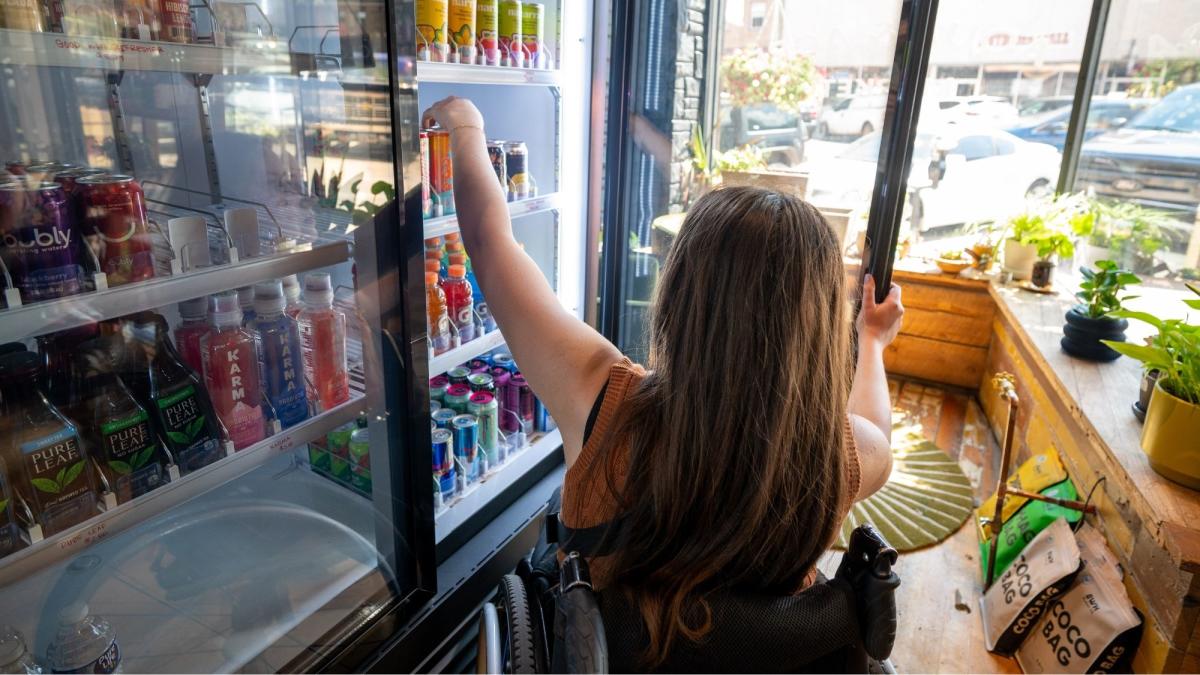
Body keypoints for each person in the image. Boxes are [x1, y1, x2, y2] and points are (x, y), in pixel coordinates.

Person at [422, 97, 904, 665]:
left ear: (679, 298)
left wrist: (464, 122)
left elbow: (486, 240)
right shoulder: (843, 454)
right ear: (820, 326)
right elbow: (874, 426)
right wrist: (871, 341)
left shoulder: (607, 403)